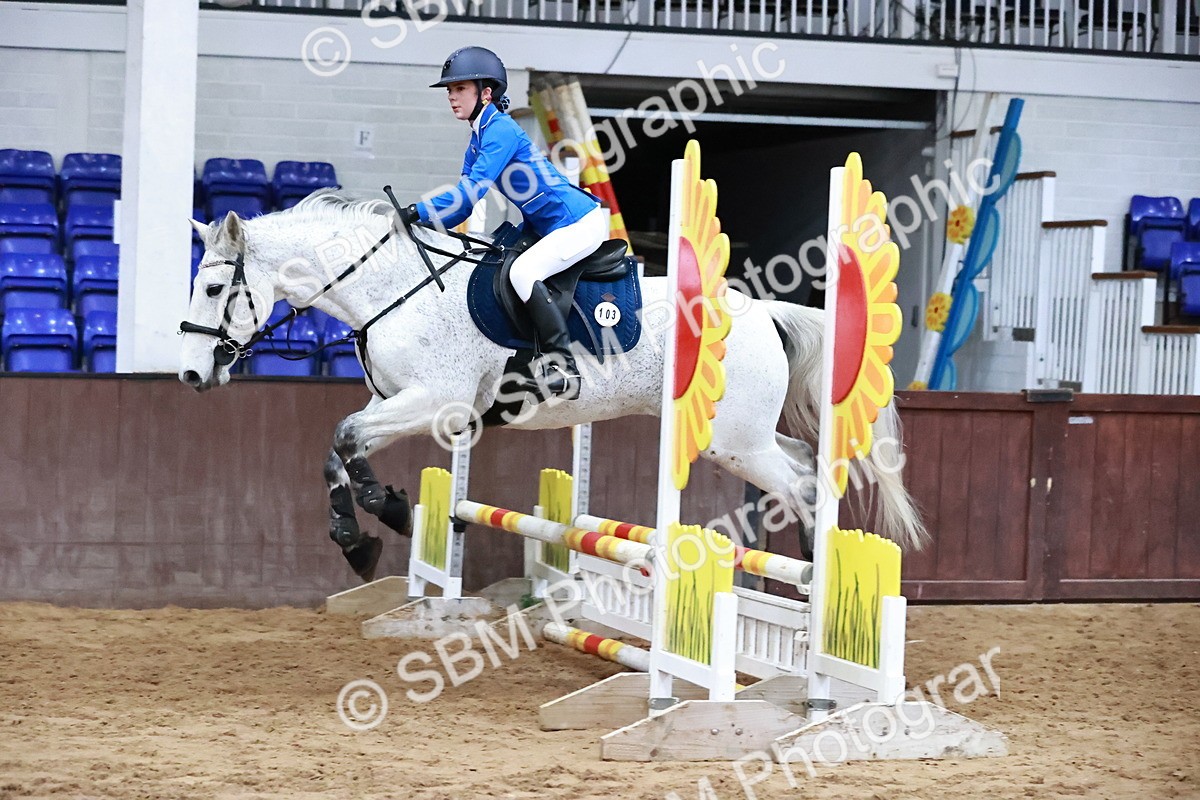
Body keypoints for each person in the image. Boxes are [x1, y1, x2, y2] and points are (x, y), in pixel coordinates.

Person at [396, 46, 606, 400]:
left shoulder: (501, 131)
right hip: (543, 227)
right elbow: (462, 210)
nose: (451, 97)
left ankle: (563, 367)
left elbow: (467, 193)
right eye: (450, 90)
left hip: (577, 223)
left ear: (486, 93)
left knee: (523, 273)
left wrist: (417, 210)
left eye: (459, 88)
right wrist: (423, 229)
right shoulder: (478, 139)